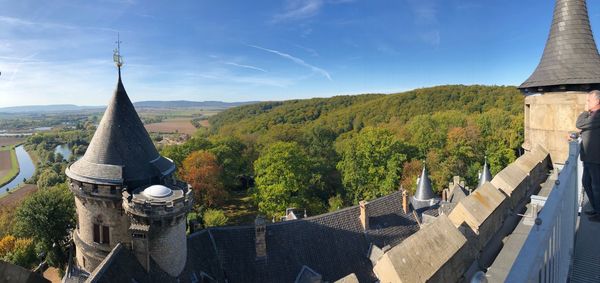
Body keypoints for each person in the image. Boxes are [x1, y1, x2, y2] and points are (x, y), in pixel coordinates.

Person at [577, 90, 600, 222]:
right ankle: (596, 208)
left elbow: (580, 123)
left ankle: (599, 212)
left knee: (596, 187)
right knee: (587, 183)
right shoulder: (594, 116)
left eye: (589, 100)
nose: (587, 103)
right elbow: (587, 129)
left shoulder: (597, 116)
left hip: (595, 158)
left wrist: (585, 111)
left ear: (597, 101)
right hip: (589, 157)